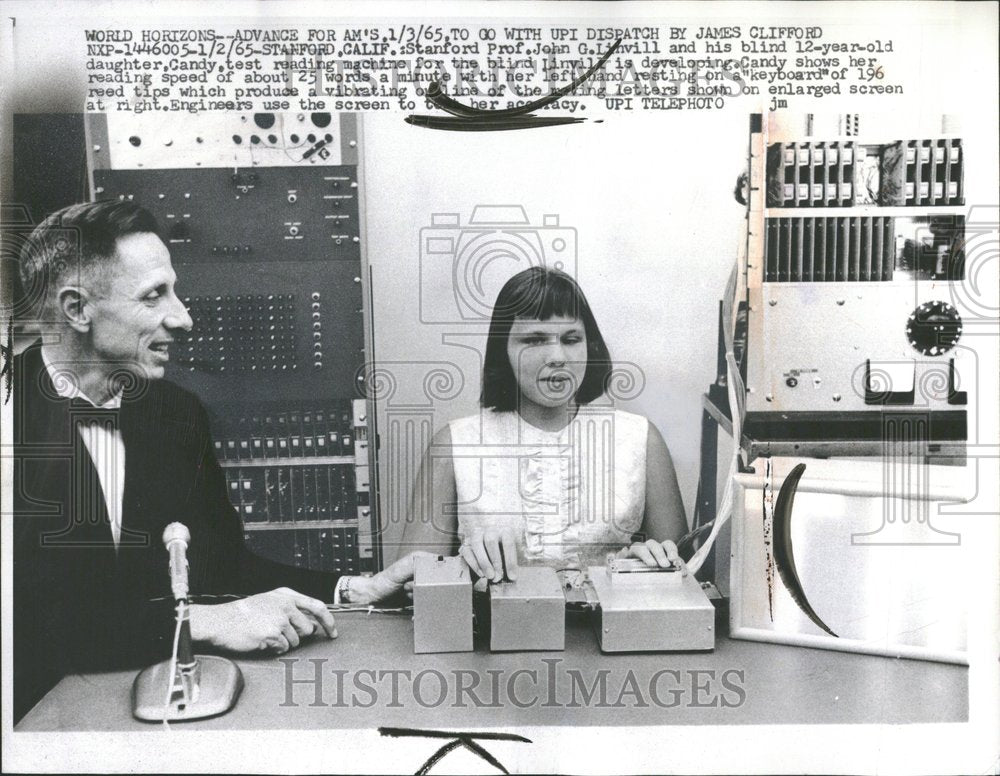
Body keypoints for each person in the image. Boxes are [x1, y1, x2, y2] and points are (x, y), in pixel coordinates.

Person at [10, 201, 423, 723]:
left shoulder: (174, 413)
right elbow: (29, 625)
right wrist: (199, 622)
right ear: (77, 310)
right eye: (155, 295)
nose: (183, 318)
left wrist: (352, 589)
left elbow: (222, 564)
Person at [400, 266, 687, 581]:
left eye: (570, 339)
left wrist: (644, 563)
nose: (557, 356)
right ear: (504, 351)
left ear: (589, 346)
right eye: (534, 340)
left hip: (611, 628)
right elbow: (410, 581)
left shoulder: (640, 438)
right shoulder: (455, 442)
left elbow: (685, 575)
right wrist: (463, 568)